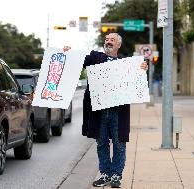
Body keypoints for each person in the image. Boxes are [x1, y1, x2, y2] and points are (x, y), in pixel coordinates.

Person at [63, 33, 148, 188]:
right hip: (99, 111)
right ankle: (105, 174)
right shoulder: (95, 58)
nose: (108, 42)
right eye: (107, 40)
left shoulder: (126, 62)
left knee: (119, 143)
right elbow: (79, 60)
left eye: (112, 40)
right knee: (101, 143)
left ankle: (116, 175)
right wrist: (69, 53)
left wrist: (143, 68)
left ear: (118, 45)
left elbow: (138, 79)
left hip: (118, 111)